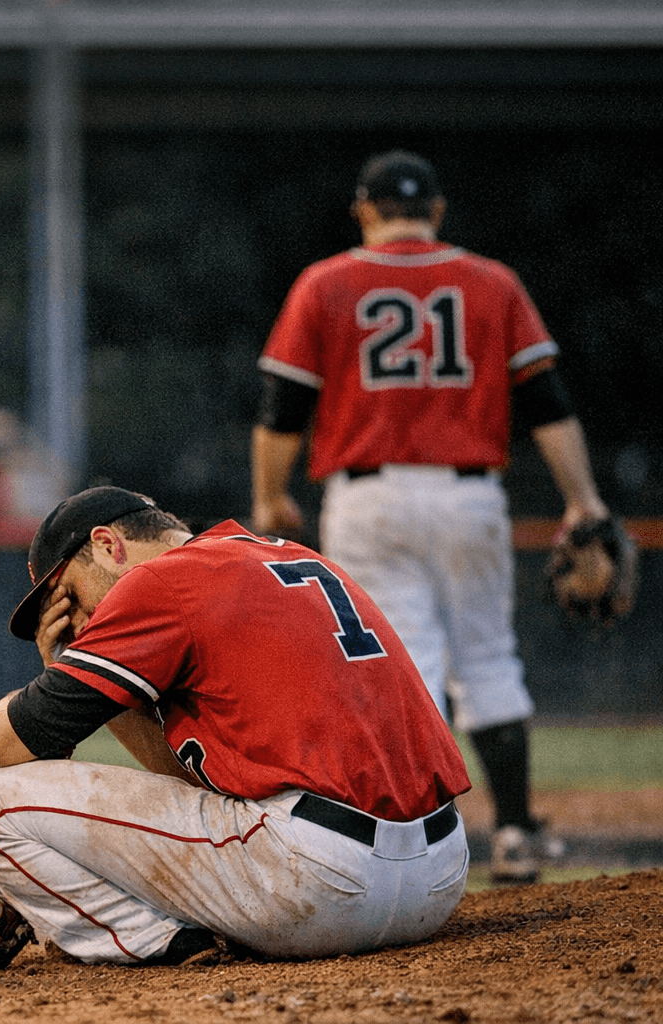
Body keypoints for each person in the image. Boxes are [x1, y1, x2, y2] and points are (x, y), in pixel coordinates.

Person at [249, 150, 612, 885]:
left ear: (364, 210)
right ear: (438, 211)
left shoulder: (326, 282)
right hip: (467, 495)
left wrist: (269, 497)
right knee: (488, 657)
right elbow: (547, 404)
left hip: (368, 500)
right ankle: (515, 832)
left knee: (401, 663)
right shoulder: (492, 281)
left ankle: (414, 839)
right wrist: (584, 499)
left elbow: (283, 409)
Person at [0, 486, 472, 964]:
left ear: (108, 545)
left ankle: (155, 939)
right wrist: (99, 682)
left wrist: (63, 667)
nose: (75, 622)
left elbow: (4, 745)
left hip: (320, 882)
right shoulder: (292, 557)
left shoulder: (159, 581)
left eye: (69, 596)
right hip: (440, 879)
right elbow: (194, 787)